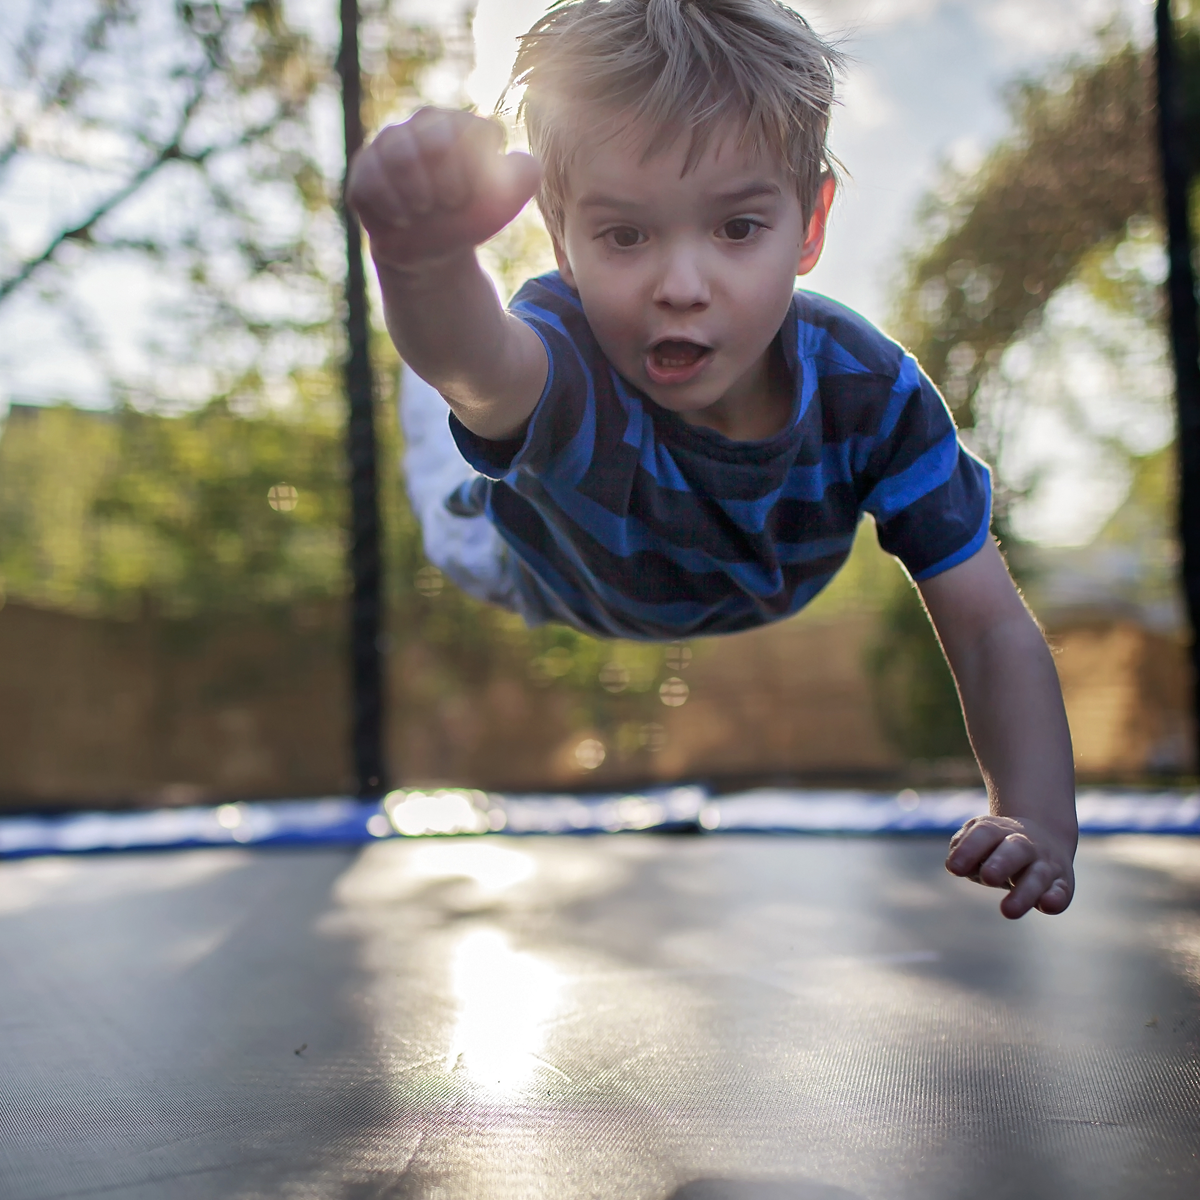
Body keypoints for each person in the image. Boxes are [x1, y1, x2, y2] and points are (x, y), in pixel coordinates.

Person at [348, 0, 1077, 920]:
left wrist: (1038, 819)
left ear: (809, 226)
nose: (682, 288)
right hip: (519, 556)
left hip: (719, 571)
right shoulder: (567, 357)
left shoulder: (875, 396)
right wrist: (418, 262)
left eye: (736, 229)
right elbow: (486, 371)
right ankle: (438, 333)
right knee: (456, 381)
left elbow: (989, 627)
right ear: (561, 236)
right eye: (624, 236)